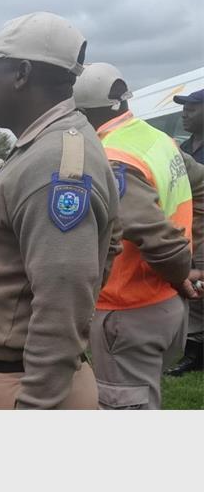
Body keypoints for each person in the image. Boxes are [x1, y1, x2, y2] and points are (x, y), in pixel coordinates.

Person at [0, 11, 120, 409]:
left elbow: (64, 296)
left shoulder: (54, 162)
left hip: (27, 386)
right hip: (24, 377)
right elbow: (107, 250)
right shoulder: (49, 147)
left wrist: (36, 404)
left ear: (22, 74)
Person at [73, 62, 204, 409]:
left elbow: (156, 237)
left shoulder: (112, 157)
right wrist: (195, 260)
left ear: (84, 112)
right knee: (143, 395)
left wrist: (182, 275)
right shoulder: (156, 139)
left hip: (130, 308)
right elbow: (200, 185)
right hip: (162, 305)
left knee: (123, 405)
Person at [166, 88, 204, 376]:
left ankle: (194, 351)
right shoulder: (187, 145)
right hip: (188, 228)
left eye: (191, 108)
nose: (184, 113)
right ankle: (193, 349)